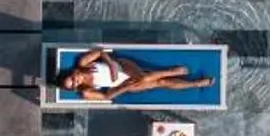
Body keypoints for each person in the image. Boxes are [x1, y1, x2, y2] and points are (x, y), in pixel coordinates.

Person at [52, 47, 217, 102]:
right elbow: (107, 96)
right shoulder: (86, 92)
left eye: (72, 78)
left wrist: (111, 66)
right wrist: (124, 87)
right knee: (162, 84)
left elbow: (101, 52)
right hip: (123, 86)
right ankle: (197, 84)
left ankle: (172, 70)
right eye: (73, 84)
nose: (76, 81)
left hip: (123, 66)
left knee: (144, 77)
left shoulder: (83, 63)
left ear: (72, 72)